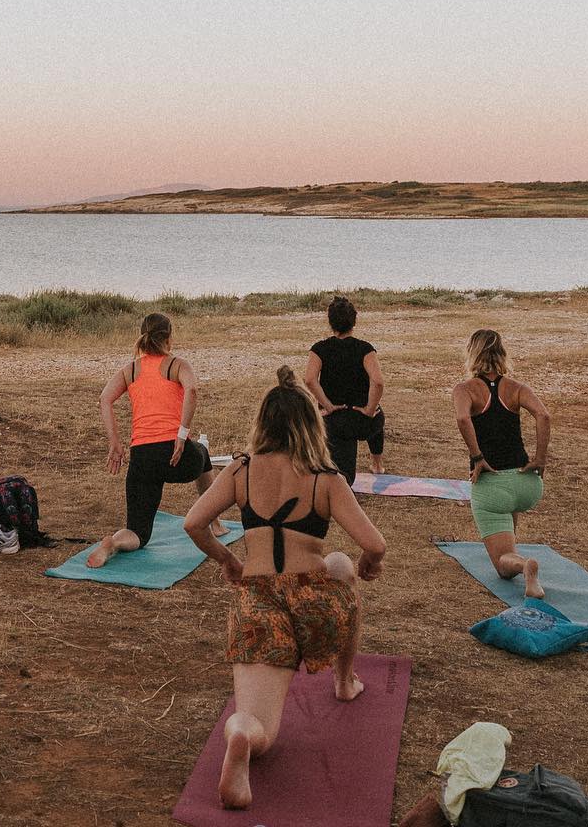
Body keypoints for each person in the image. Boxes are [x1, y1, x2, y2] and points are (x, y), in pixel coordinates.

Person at [184, 366, 387, 812]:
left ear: (263, 424)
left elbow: (193, 522)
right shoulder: (324, 477)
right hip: (315, 606)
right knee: (340, 566)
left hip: (259, 602)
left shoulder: (240, 469)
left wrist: (228, 560)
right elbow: (374, 544)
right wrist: (367, 566)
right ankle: (344, 680)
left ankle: (241, 735)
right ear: (311, 426)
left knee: (260, 726)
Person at [86, 311, 220, 568]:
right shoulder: (177, 364)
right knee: (202, 452)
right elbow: (192, 389)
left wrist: (115, 443)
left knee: (137, 533)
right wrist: (182, 435)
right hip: (176, 455)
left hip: (142, 458)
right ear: (168, 338)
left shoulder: (131, 369)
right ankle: (214, 522)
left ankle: (113, 543)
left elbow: (105, 399)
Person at [453, 328, 550, 599]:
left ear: (472, 354)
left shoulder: (465, 390)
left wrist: (477, 457)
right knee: (508, 508)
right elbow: (543, 415)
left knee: (503, 563)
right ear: (502, 354)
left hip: (492, 487)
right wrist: (540, 459)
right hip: (526, 485)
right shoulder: (516, 388)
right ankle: (511, 547)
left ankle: (522, 565)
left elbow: (463, 419)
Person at [304, 295, 386, 484]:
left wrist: (328, 406)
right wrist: (369, 409)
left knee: (344, 471)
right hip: (364, 422)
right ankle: (377, 464)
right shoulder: (365, 349)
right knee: (378, 414)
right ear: (353, 322)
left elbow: (310, 380)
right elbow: (378, 382)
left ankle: (345, 481)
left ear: (330, 322)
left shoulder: (319, 349)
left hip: (334, 421)